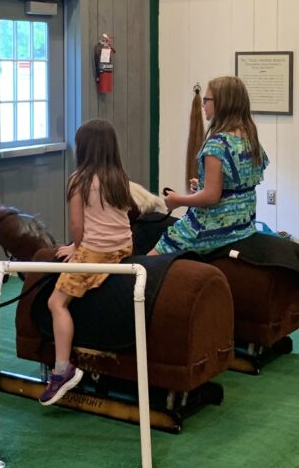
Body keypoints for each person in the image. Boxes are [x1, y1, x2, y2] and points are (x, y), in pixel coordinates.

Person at [44, 119, 134, 406]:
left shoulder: (79, 180)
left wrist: (76, 248)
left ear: (83, 149)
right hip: (123, 246)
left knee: (56, 303)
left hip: (95, 251)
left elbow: (76, 225)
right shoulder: (119, 177)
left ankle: (62, 370)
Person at [149, 76, 269, 255]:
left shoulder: (216, 144)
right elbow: (237, 185)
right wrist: (203, 184)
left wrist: (177, 200)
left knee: (152, 258)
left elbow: (211, 197)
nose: (203, 105)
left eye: (206, 100)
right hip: (244, 225)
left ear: (221, 103)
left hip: (214, 227)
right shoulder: (250, 138)